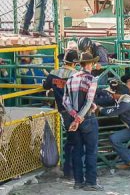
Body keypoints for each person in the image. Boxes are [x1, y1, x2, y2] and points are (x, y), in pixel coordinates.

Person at [63, 53, 103, 191]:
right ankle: (91, 182)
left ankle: (78, 181)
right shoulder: (92, 79)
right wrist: (80, 117)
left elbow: (65, 101)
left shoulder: (71, 78)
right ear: (90, 64)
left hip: (73, 119)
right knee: (91, 151)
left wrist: (74, 116)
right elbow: (88, 102)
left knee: (77, 151)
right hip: (87, 119)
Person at [43, 49, 78, 179]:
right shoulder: (77, 74)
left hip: (64, 111)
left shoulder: (53, 74)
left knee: (70, 141)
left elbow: (46, 86)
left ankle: (69, 171)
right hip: (78, 112)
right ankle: (76, 171)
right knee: (78, 141)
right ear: (75, 63)